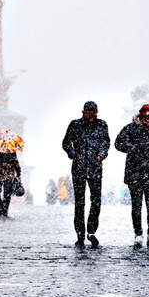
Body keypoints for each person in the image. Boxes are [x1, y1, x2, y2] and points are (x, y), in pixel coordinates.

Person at [114, 104, 149, 247]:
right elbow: (118, 143)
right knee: (136, 206)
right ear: (139, 117)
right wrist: (133, 148)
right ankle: (138, 233)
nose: (146, 120)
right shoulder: (130, 128)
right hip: (134, 173)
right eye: (144, 117)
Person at [61, 100, 110, 248]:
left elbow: (106, 143)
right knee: (79, 202)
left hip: (95, 167)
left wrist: (101, 155)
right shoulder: (75, 125)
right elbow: (65, 143)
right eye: (89, 114)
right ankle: (80, 234)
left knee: (96, 201)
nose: (91, 117)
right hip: (79, 167)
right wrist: (75, 154)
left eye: (94, 114)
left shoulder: (102, 125)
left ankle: (91, 231)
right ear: (83, 112)